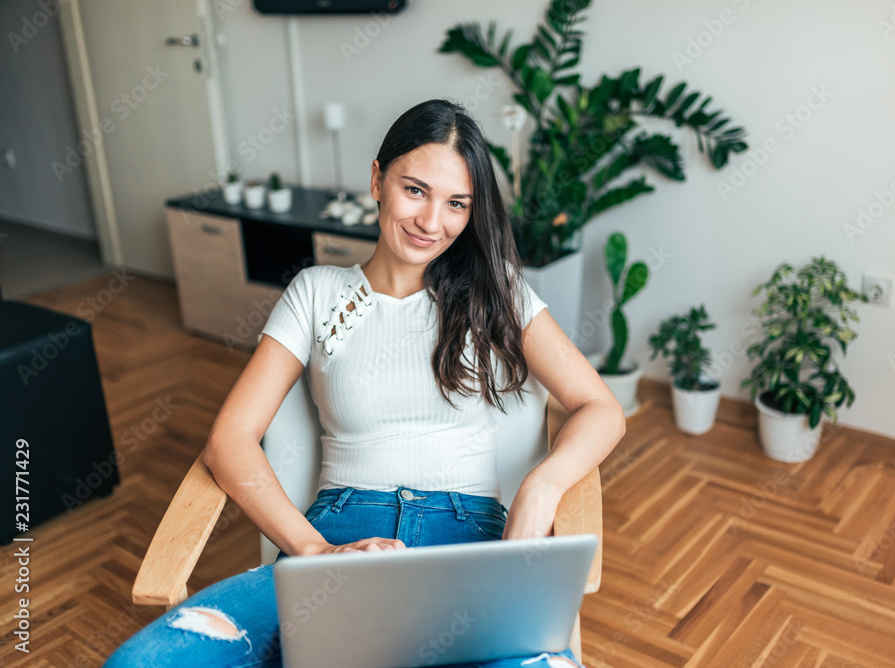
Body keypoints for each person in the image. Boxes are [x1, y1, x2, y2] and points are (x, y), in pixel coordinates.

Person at [104, 98, 626, 667]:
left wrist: (542, 487)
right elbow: (229, 440)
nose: (432, 222)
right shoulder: (315, 292)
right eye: (415, 190)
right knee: (144, 662)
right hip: (333, 544)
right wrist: (313, 549)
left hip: (470, 547)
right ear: (377, 178)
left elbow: (600, 407)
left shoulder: (497, 293)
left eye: (457, 204)